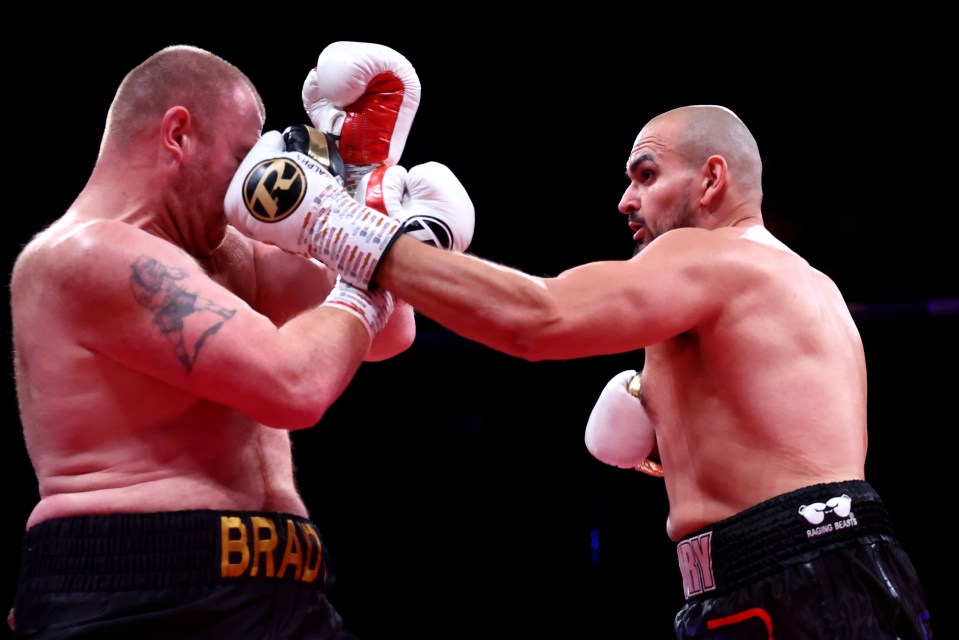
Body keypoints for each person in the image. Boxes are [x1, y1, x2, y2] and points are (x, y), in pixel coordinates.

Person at [227, 102, 933, 638]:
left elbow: (539, 320)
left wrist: (343, 232)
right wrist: (646, 393)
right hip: (836, 564)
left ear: (711, 178)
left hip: (785, 577)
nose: (625, 200)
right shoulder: (806, 285)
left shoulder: (708, 257)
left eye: (645, 175)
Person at [7, 43, 445, 640]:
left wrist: (362, 184)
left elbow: (389, 335)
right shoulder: (83, 256)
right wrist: (379, 247)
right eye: (242, 156)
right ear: (179, 134)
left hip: (287, 587)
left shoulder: (231, 249)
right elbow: (297, 385)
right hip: (135, 593)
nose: (253, 179)